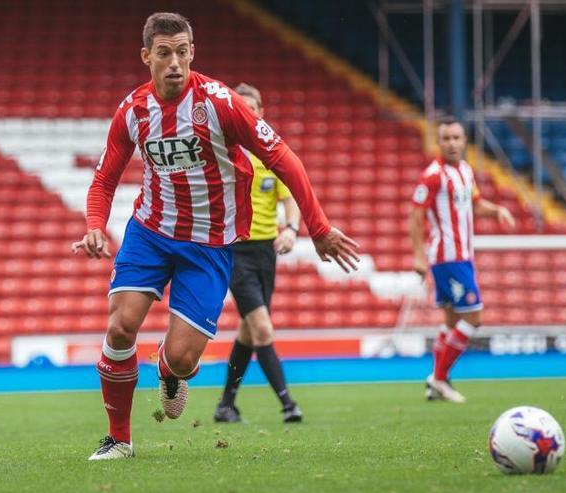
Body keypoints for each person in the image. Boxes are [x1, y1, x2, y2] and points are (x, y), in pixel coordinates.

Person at [72, 12, 359, 460]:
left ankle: (170, 373)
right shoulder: (132, 111)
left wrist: (318, 228)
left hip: (210, 243)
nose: (174, 63)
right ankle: (120, 439)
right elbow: (105, 179)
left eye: (182, 52)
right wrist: (94, 226)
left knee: (182, 359)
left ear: (192, 53)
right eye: (164, 53)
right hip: (150, 231)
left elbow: (284, 157)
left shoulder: (220, 102)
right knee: (120, 325)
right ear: (147, 56)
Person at [409, 116, 515, 403]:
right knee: (474, 317)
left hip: (463, 256)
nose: (452, 143)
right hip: (448, 257)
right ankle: (440, 379)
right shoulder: (433, 175)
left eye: (457, 138)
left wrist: (497, 211)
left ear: (464, 141)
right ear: (438, 142)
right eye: (446, 139)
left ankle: (435, 382)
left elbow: (475, 205)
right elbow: (416, 215)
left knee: (451, 320)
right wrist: (418, 256)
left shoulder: (466, 171)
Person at [214, 83, 303, 424]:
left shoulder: (270, 155)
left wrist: (292, 230)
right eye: (242, 108)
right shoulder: (223, 155)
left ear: (261, 114)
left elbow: (289, 197)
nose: (248, 114)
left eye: (253, 108)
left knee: (249, 332)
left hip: (266, 252)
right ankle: (288, 403)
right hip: (235, 252)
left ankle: (226, 405)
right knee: (263, 328)